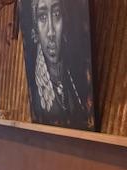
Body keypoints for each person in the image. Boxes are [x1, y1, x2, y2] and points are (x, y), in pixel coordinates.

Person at [26, 0, 95, 130]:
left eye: (56, 14)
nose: (51, 32)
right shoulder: (37, 95)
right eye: (43, 17)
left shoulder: (76, 76)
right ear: (36, 30)